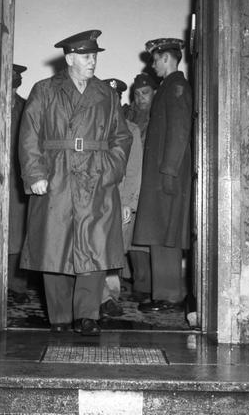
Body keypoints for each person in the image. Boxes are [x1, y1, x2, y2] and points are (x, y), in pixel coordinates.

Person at [18, 30, 132, 336]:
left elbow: (122, 136)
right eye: (86, 56)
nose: (92, 61)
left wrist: (112, 168)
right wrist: (35, 174)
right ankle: (59, 316)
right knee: (54, 246)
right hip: (57, 174)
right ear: (70, 59)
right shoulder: (45, 90)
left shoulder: (106, 94)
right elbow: (29, 133)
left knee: (94, 246)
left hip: (96, 176)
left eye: (94, 56)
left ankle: (87, 315)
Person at [133, 38, 193, 313]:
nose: (153, 64)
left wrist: (169, 171)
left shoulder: (177, 86)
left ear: (167, 58)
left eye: (156, 59)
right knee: (160, 232)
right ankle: (163, 293)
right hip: (161, 174)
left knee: (167, 233)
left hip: (167, 175)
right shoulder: (168, 87)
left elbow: (179, 133)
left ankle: (170, 296)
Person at [97, 78, 134, 318]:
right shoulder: (95, 127)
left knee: (113, 251)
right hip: (96, 196)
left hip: (119, 198)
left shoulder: (131, 129)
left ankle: (111, 297)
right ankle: (100, 298)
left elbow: (133, 170)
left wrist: (128, 201)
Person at [123, 73, 158, 302]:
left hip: (150, 181)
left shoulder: (158, 115)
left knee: (145, 237)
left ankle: (144, 286)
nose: (140, 98)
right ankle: (134, 281)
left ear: (154, 93)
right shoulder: (128, 114)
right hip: (132, 178)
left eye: (145, 93)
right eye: (137, 94)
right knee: (130, 234)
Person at [7, 64, 30, 303]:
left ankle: (18, 286)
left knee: (19, 232)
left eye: (16, 78)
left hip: (18, 179)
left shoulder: (26, 107)